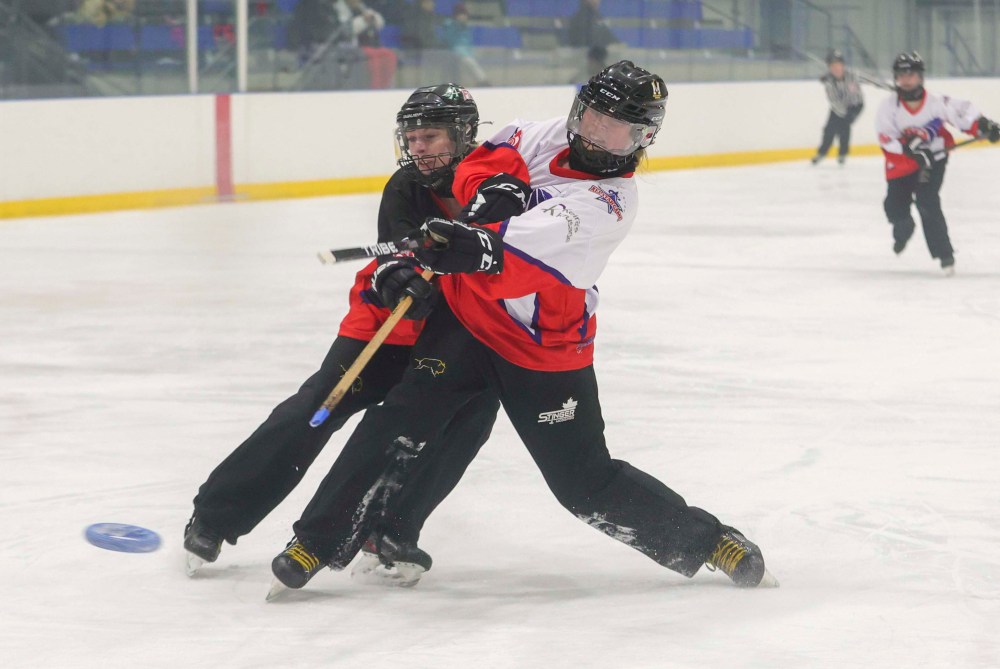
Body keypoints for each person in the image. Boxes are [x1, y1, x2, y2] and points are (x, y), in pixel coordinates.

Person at [270, 60, 778, 594]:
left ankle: (709, 540)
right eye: (595, 118)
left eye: (621, 129)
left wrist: (473, 240)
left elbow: (510, 260)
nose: (600, 137)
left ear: (644, 137)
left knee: (584, 484)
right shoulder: (548, 134)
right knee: (394, 420)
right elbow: (492, 156)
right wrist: (493, 187)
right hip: (470, 323)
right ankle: (315, 541)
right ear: (579, 110)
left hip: (543, 349)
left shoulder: (609, 204)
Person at [183, 84, 506, 581]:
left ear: (463, 134)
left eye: (431, 136)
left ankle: (393, 531)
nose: (418, 148)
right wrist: (394, 273)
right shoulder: (405, 186)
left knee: (467, 421)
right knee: (315, 409)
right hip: (383, 326)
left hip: (455, 335)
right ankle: (216, 515)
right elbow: (396, 255)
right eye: (412, 137)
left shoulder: (492, 187)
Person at [876, 51, 1000, 275]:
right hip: (902, 164)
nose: (906, 79)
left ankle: (945, 254)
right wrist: (909, 152)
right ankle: (904, 227)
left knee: (927, 200)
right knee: (893, 207)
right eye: (901, 75)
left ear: (920, 76)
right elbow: (886, 140)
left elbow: (963, 114)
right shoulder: (888, 108)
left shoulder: (936, 103)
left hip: (933, 159)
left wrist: (984, 126)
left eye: (910, 74)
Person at [810, 49, 864, 165]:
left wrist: (850, 114)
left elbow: (855, 96)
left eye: (839, 65)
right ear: (829, 68)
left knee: (844, 128)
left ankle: (842, 153)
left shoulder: (851, 76)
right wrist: (844, 115)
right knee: (829, 129)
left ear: (843, 65)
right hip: (838, 108)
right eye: (833, 66)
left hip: (855, 105)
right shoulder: (829, 82)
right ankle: (822, 152)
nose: (836, 68)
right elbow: (833, 101)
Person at [334, 0, 397, 89]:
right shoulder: (339, 8)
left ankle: (386, 86)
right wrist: (363, 20)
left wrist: (372, 18)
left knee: (389, 54)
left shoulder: (362, 7)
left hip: (371, 45)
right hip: (351, 46)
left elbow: (380, 22)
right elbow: (347, 30)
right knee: (373, 56)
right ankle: (375, 87)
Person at [565, 0, 617, 80]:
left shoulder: (598, 16)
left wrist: (616, 43)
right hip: (585, 55)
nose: (597, 1)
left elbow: (608, 35)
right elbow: (578, 39)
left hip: (598, 54)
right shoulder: (581, 18)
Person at [441, 2, 489, 87]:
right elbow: (451, 41)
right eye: (461, 14)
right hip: (456, 51)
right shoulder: (450, 25)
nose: (463, 17)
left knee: (472, 59)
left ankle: (481, 81)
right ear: (456, 15)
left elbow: (468, 42)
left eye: (465, 14)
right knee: (469, 62)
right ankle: (482, 80)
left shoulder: (465, 26)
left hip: (467, 51)